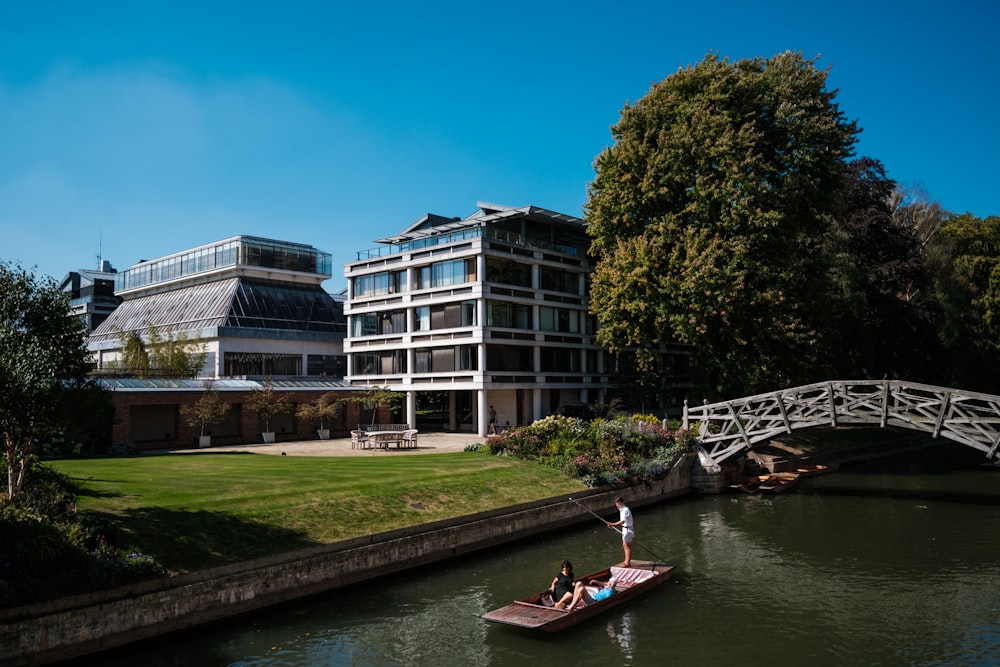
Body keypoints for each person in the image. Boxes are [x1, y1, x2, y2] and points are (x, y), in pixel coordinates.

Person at [607, 496, 633, 567]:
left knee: (627, 546)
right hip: (625, 529)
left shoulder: (625, 510)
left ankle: (627, 562)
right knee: (624, 545)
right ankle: (626, 561)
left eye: (618, 504)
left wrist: (612, 524)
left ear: (622, 503)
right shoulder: (622, 509)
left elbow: (622, 521)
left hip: (628, 530)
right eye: (616, 505)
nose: (617, 506)